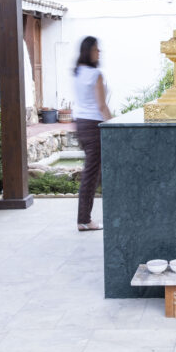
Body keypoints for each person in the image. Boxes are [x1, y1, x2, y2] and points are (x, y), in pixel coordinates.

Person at [73, 36, 113, 231]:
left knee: (98, 173)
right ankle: (84, 220)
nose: (99, 52)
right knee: (92, 174)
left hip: (80, 124)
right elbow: (101, 105)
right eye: (96, 49)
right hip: (93, 125)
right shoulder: (95, 74)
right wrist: (114, 126)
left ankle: (112, 212)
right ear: (88, 51)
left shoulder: (78, 72)